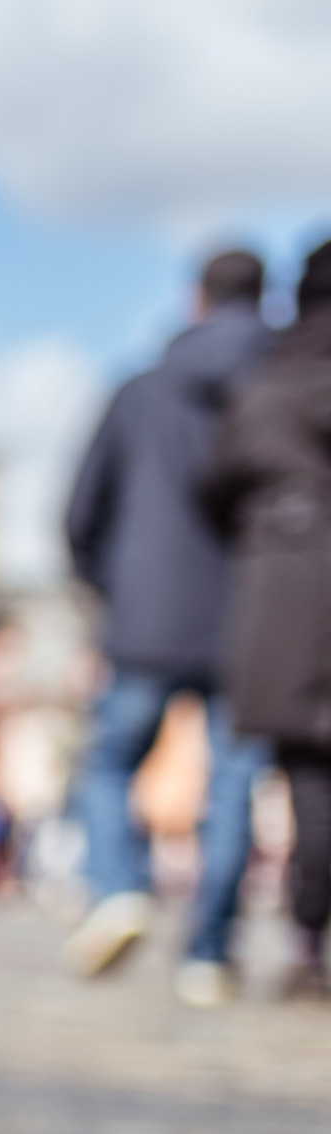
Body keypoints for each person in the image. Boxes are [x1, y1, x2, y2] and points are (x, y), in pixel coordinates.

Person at [62, 249, 277, 1006]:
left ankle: (120, 887)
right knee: (233, 789)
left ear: (195, 299)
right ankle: (209, 953)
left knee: (109, 762)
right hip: (249, 620)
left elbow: (81, 512)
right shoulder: (278, 386)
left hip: (146, 618)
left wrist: (111, 591)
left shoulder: (139, 392)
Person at [209, 237, 331, 1001]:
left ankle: (308, 937)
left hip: (289, 581)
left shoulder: (268, 385)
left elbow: (215, 486)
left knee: (312, 775)